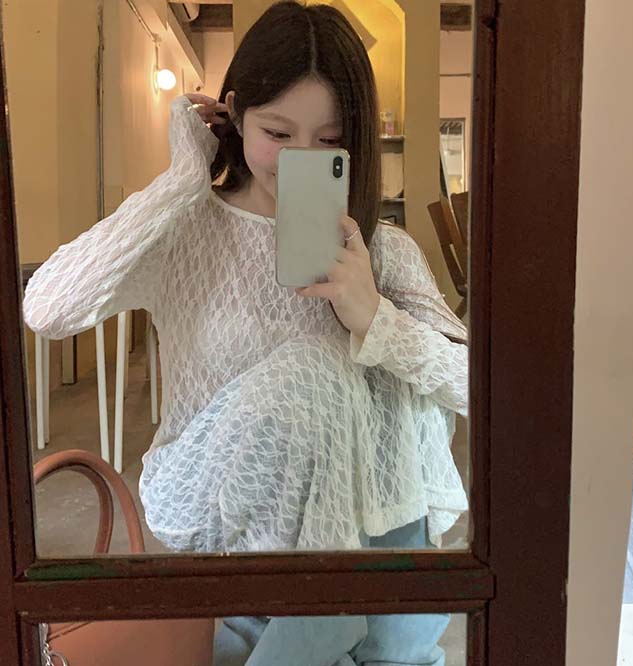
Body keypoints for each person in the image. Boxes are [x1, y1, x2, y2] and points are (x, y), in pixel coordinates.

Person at [23, 1, 468, 664]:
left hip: (362, 541)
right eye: (278, 132)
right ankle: (329, 622)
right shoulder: (187, 232)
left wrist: (375, 317)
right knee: (314, 367)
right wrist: (182, 178)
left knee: (369, 383)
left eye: (329, 140)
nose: (299, 159)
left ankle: (336, 622)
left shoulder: (383, 249)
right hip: (221, 510)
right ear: (233, 114)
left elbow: (477, 389)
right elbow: (47, 308)